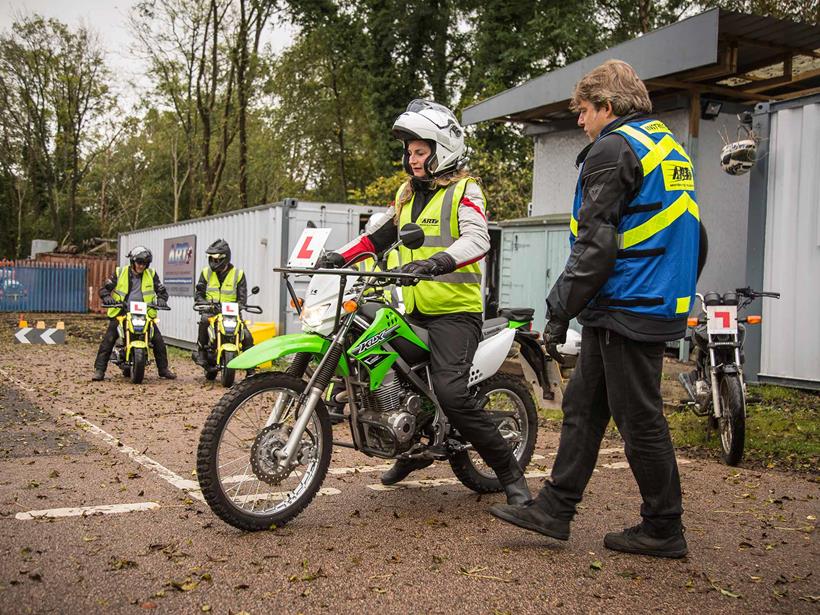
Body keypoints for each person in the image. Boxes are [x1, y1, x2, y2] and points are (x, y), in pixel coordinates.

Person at [490, 60, 707, 558]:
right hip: (643, 301)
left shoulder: (613, 149)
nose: (581, 122)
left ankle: (664, 528)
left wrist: (559, 308)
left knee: (640, 421)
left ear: (608, 107)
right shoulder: (667, 148)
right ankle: (554, 509)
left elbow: (596, 245)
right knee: (584, 408)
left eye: (584, 111)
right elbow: (694, 232)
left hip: (626, 303)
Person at [319, 99, 530, 506]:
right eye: (410, 152)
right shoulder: (405, 194)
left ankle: (510, 472)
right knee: (379, 365)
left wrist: (437, 261)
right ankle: (410, 446)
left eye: (421, 151)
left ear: (442, 149)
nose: (413, 160)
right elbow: (377, 237)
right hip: (413, 310)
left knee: (451, 394)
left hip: (456, 315)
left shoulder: (465, 191)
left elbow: (477, 238)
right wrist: (338, 257)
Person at [92, 246, 176, 381]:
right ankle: (99, 370)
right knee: (109, 338)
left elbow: (162, 291)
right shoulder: (120, 272)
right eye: (139, 262)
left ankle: (163, 369)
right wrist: (107, 297)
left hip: (145, 313)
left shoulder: (152, 274)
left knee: (158, 340)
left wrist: (161, 300)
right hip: (122, 312)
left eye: (145, 263)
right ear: (133, 261)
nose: (141, 266)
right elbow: (104, 289)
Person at [193, 239, 253, 366]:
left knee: (247, 336)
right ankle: (201, 353)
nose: (214, 262)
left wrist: (241, 305)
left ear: (225, 258)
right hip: (211, 311)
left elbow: (242, 297)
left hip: (231, 313)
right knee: (204, 321)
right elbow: (199, 294)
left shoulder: (238, 274)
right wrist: (204, 303)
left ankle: (250, 368)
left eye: (216, 259)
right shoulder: (205, 273)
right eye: (212, 258)